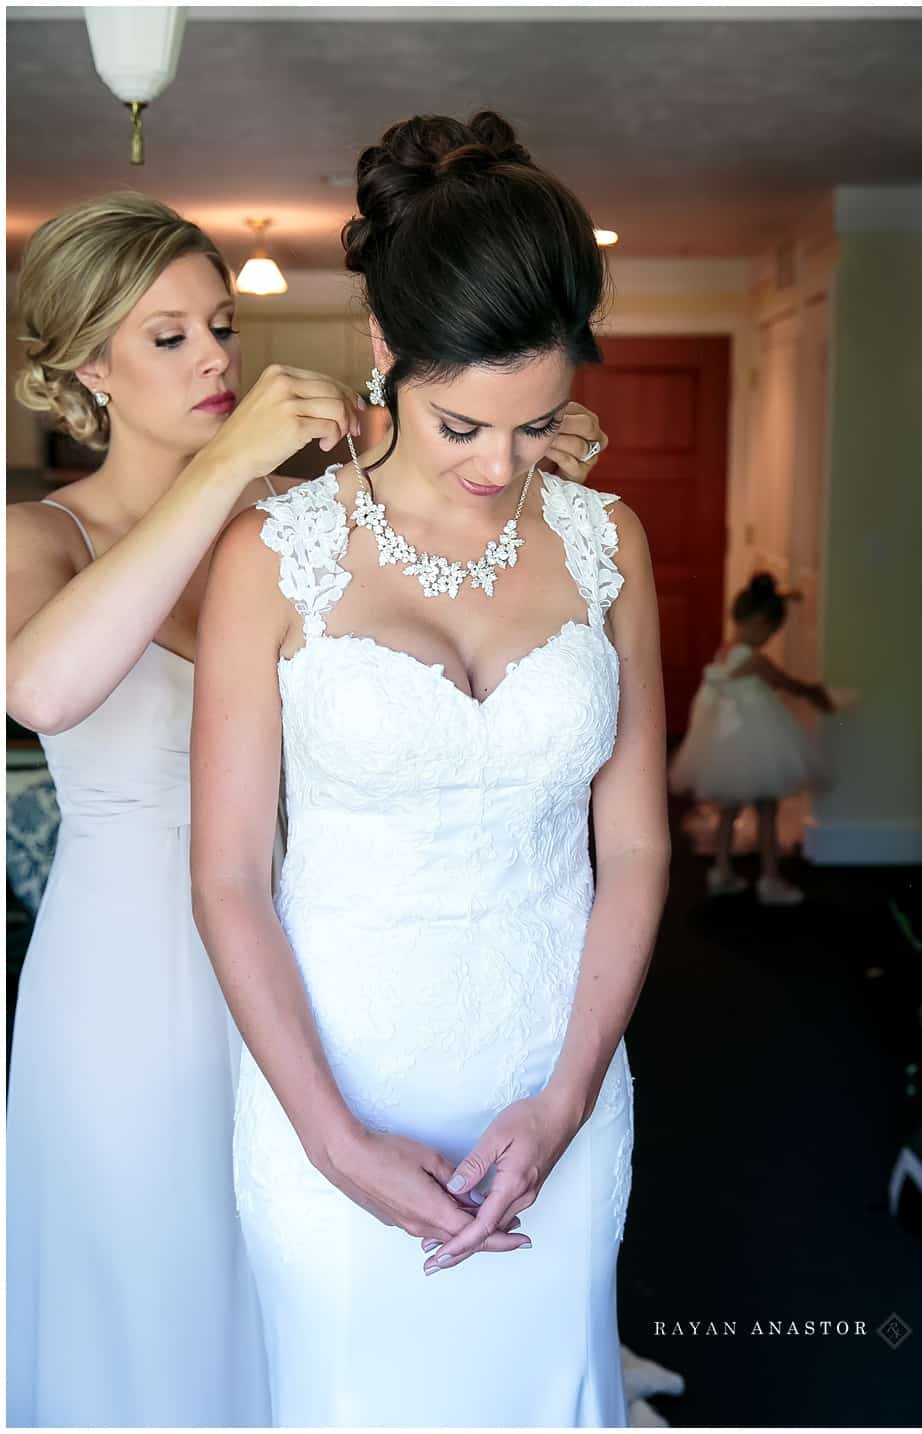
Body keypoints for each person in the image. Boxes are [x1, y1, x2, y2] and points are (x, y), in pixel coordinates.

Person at [5, 189, 613, 1428]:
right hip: (131, 982)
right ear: (86, 366)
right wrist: (232, 461)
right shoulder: (42, 534)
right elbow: (43, 691)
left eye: (220, 324)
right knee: (157, 1299)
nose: (217, 356)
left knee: (316, 1302)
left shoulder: (294, 527)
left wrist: (509, 447)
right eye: (167, 335)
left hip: (317, 962)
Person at [191, 110, 670, 1429]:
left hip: (554, 1065)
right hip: (335, 1078)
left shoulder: (607, 543)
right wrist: (332, 1137)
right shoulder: (267, 558)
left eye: (539, 424)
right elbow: (230, 875)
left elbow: (634, 845)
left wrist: (569, 1093)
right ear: (386, 350)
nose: (500, 467)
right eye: (465, 421)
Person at [668, 571, 836, 906]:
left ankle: (722, 872)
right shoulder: (755, 659)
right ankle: (770, 879)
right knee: (768, 809)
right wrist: (813, 692)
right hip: (756, 744)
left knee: (729, 811)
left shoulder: (725, 650)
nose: (769, 638)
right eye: (772, 631)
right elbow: (786, 683)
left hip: (730, 744)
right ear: (761, 623)